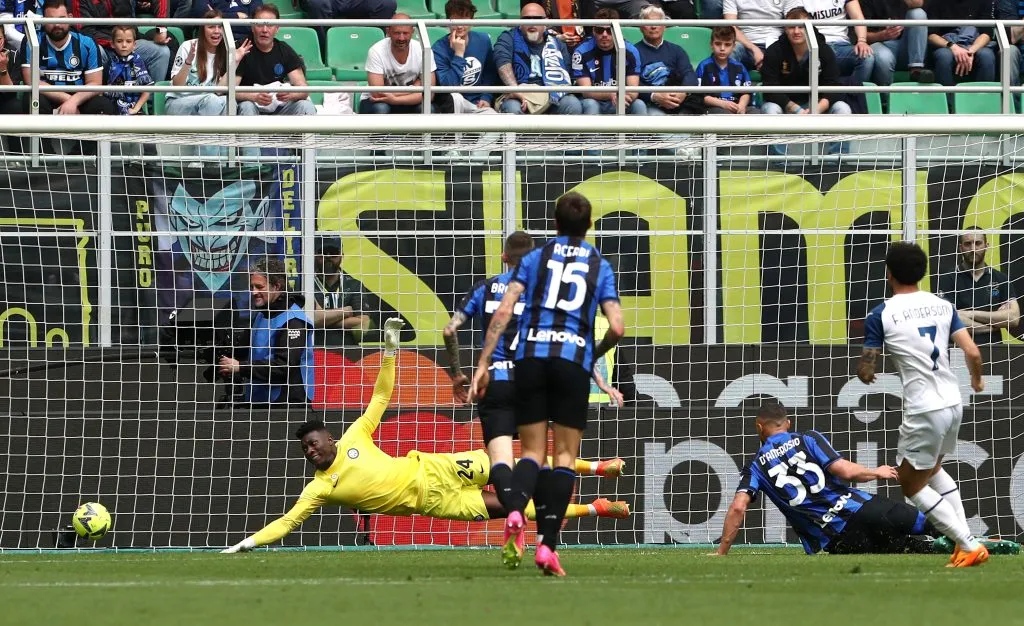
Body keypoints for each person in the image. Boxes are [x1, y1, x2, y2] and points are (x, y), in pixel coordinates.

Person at [220, 318, 631, 553]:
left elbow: (381, 395)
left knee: (511, 462)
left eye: (314, 442)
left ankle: (597, 466)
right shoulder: (320, 488)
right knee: (513, 507)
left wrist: (391, 350)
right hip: (437, 501)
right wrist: (247, 543)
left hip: (439, 466)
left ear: (329, 439)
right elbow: (287, 523)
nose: (311, 451)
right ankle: (596, 508)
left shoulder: (355, 436)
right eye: (306, 449)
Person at [470, 192, 625, 576]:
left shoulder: (535, 259)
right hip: (572, 360)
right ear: (589, 226)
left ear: (554, 224)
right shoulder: (598, 264)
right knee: (565, 458)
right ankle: (547, 547)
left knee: (532, 454)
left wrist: (484, 361)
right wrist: (592, 352)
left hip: (531, 359)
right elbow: (618, 327)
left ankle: (516, 510)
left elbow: (505, 311)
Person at [444, 231, 625, 530]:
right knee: (538, 458)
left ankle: (515, 512)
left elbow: (450, 330)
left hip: (497, 381)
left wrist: (458, 373)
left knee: (501, 459)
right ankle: (547, 532)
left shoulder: (485, 289)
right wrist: (598, 377)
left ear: (504, 257)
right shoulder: (549, 295)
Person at [857, 241, 988, 568]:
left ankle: (967, 544)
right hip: (953, 402)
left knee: (911, 484)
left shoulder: (881, 314)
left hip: (924, 408)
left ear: (888, 274)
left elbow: (866, 368)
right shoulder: (942, 305)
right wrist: (977, 380)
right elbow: (972, 352)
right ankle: (964, 541)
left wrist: (866, 372)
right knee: (933, 470)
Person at [716, 403, 940, 555]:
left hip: (838, 539)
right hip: (863, 509)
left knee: (911, 548)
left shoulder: (755, 467)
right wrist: (876, 472)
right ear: (789, 423)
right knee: (932, 525)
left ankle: (916, 546)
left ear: (759, 427)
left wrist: (722, 551)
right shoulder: (809, 438)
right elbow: (844, 471)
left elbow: (738, 507)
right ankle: (968, 545)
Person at [217, 257, 314, 405]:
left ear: (277, 286)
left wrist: (239, 367)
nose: (254, 292)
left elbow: (284, 367)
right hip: (261, 400)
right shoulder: (262, 314)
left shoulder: (294, 321)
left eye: (259, 287)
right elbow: (246, 351)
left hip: (287, 404)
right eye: (251, 287)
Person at [20, 0, 115, 121]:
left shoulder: (87, 43)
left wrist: (74, 101)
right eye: (51, 20)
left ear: (70, 18)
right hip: (47, 96)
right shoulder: (31, 42)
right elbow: (31, 81)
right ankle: (41, 141)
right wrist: (67, 100)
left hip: (79, 97)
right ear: (43, 20)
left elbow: (95, 83)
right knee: (34, 101)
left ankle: (85, 140)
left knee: (103, 105)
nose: (57, 25)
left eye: (61, 18)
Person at [493, 3, 582, 115]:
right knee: (512, 107)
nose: (532, 22)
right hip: (519, 94)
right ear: (520, 23)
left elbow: (568, 72)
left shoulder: (557, 43)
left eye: (537, 18)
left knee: (572, 104)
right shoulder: (508, 37)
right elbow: (502, 61)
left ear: (545, 22)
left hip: (552, 94)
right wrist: (514, 90)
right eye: (527, 18)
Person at [937, 228, 1020, 345]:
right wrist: (993, 325)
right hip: (959, 350)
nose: (973, 249)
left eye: (978, 243)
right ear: (960, 248)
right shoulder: (948, 279)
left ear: (986, 246)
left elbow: (1013, 318)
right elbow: (949, 319)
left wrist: (969, 314)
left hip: (994, 350)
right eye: (968, 244)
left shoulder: (1000, 278)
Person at [761, 9, 852, 115]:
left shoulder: (823, 49)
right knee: (770, 108)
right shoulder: (774, 50)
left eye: (801, 27)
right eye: (791, 27)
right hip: (786, 106)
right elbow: (770, 88)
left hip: (818, 106)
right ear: (785, 29)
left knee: (842, 107)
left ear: (810, 28)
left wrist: (816, 109)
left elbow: (834, 86)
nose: (796, 31)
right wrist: (796, 109)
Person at [235, 4, 315, 117]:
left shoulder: (284, 49)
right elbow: (230, 90)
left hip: (280, 107)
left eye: (270, 25)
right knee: (246, 106)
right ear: (252, 27)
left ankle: (301, 135)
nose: (264, 30)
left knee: (306, 106)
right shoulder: (241, 48)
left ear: (277, 28)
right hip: (252, 104)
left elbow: (303, 88)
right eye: (259, 24)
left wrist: (290, 95)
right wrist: (254, 96)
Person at [360, 13, 447, 114]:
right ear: (388, 32)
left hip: (408, 101)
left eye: (405, 33)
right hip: (377, 102)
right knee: (381, 108)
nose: (401, 38)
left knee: (428, 108)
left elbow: (428, 95)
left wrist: (395, 99)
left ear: (412, 32)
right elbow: (378, 94)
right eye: (397, 33)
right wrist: (414, 89)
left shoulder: (423, 50)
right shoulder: (377, 51)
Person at [70, 0, 171, 83]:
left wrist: (161, 29)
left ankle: (151, 102)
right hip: (103, 47)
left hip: (130, 41)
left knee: (161, 51)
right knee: (95, 52)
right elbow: (85, 32)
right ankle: (102, 100)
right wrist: (116, 42)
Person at [166, 10, 244, 119]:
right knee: (211, 100)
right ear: (203, 29)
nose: (216, 31)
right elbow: (177, 86)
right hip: (178, 102)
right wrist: (188, 61)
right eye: (211, 27)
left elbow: (219, 91)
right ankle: (206, 136)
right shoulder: (188, 46)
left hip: (210, 103)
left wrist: (234, 62)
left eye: (220, 27)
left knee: (229, 103)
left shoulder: (226, 52)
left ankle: (222, 137)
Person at [572, 8, 646, 115]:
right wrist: (611, 94)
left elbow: (633, 90)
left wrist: (622, 97)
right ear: (593, 31)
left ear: (617, 31)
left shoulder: (630, 51)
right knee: (591, 104)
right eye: (600, 30)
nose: (605, 34)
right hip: (594, 101)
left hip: (621, 99)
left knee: (639, 105)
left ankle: (640, 132)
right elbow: (586, 92)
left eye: (610, 30)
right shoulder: (581, 52)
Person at [432, 0, 499, 113]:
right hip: (451, 104)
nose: (460, 25)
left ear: (472, 21)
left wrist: (486, 97)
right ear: (448, 21)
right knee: (456, 97)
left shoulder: (483, 40)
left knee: (500, 125)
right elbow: (449, 87)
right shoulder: (438, 49)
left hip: (478, 105)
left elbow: (489, 74)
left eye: (464, 19)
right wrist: (459, 54)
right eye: (455, 20)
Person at [311, 235, 372, 347]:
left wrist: (323, 320)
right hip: (314, 351)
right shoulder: (306, 285)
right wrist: (346, 311)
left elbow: (364, 322)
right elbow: (312, 319)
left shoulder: (354, 285)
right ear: (315, 255)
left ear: (342, 255)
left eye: (333, 252)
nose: (328, 256)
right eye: (323, 252)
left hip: (348, 352)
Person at [859, 0, 935, 85]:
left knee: (918, 13)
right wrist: (882, 35)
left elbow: (919, 3)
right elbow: (861, 35)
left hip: (911, 48)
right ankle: (886, 97)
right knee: (884, 58)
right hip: (881, 44)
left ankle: (916, 70)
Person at [925, 0, 997, 90]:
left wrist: (971, 51)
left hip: (974, 42)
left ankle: (983, 101)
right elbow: (931, 35)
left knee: (986, 56)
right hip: (947, 44)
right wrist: (953, 47)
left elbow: (986, 34)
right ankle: (947, 102)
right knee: (944, 56)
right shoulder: (935, 2)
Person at [800, 0, 875, 82]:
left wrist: (862, 41)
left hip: (841, 46)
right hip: (814, 46)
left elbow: (857, 17)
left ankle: (852, 93)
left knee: (866, 57)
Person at [696, 26, 759, 115]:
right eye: (718, 44)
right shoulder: (704, 66)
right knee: (725, 115)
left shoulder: (739, 67)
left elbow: (746, 92)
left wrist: (741, 105)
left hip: (736, 105)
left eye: (727, 44)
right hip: (714, 107)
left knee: (757, 113)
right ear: (711, 44)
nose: (722, 48)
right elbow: (701, 96)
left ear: (733, 46)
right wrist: (723, 104)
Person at [105, 25, 154, 116]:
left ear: (134, 45)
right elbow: (101, 90)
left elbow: (147, 89)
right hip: (111, 111)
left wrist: (136, 109)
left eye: (128, 41)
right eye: (119, 41)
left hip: (134, 109)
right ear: (112, 44)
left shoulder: (139, 62)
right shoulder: (109, 64)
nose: (124, 45)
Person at [724, 0, 786, 71]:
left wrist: (771, 54)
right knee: (730, 49)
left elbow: (794, 24)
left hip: (777, 44)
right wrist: (754, 49)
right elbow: (731, 28)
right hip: (746, 47)